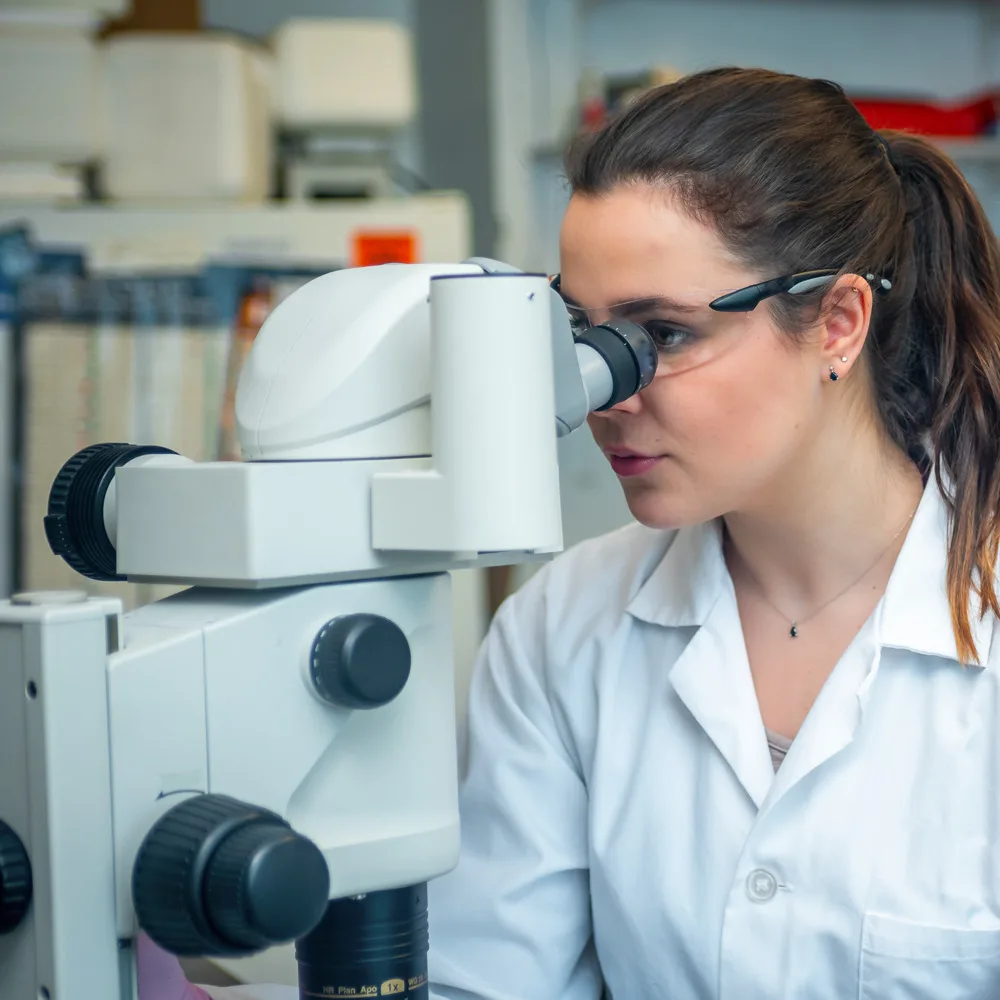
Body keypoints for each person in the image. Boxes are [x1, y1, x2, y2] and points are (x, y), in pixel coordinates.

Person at [140, 66, 1000, 999]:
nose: (604, 393)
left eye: (659, 336)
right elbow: (490, 981)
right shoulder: (566, 625)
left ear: (838, 322)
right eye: (578, 335)